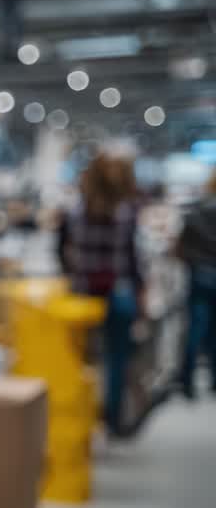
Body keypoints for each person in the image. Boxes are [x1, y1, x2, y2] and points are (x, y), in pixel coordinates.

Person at [58, 153, 144, 437]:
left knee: (82, 359)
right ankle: (112, 420)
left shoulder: (74, 211)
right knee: (117, 359)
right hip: (118, 293)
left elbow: (61, 252)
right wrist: (141, 294)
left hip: (83, 296)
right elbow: (133, 260)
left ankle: (82, 417)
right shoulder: (127, 212)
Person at [176, 171, 216, 399]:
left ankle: (188, 380)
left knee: (195, 327)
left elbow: (183, 244)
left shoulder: (197, 210)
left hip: (199, 273)